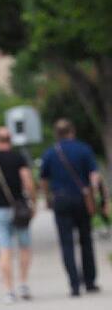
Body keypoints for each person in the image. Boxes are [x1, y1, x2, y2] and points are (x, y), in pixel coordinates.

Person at [40, 119, 103, 297]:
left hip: (61, 199)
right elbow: (94, 175)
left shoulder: (50, 153)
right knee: (86, 241)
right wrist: (97, 195)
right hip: (82, 199)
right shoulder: (84, 149)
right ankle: (89, 281)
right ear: (72, 131)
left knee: (66, 243)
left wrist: (47, 198)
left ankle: (74, 285)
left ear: (56, 133)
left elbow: (44, 179)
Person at [0, 127, 36, 304]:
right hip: (19, 208)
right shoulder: (18, 158)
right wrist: (32, 201)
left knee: (4, 249)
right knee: (24, 246)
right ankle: (23, 284)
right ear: (10, 140)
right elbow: (28, 182)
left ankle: (9, 290)